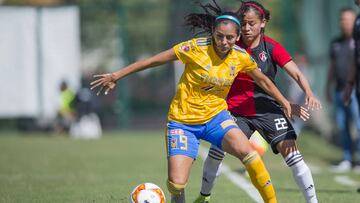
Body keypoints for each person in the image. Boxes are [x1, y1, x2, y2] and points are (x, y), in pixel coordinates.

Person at [90, 2, 307, 202]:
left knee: (250, 154)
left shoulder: (240, 56)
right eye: (219, 36)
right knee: (177, 183)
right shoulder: (194, 48)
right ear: (213, 32)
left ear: (237, 36)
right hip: (183, 121)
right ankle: (178, 197)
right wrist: (117, 75)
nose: (224, 42)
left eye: (230, 38)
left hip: (216, 117)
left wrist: (284, 101)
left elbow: (264, 81)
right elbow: (152, 60)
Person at [194, 1, 321, 203]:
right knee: (216, 152)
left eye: (251, 23)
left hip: (268, 109)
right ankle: (204, 197)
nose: (246, 28)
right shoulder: (231, 46)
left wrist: (309, 92)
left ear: (263, 22)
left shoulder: (271, 47)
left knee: (293, 156)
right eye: (243, 23)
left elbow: (296, 72)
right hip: (235, 112)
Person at [326, 8, 360, 172]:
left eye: (348, 19)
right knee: (342, 125)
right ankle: (347, 158)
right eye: (342, 19)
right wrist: (327, 87)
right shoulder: (335, 43)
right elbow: (332, 67)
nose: (344, 22)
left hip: (355, 89)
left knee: (359, 124)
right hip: (340, 90)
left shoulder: (357, 41)